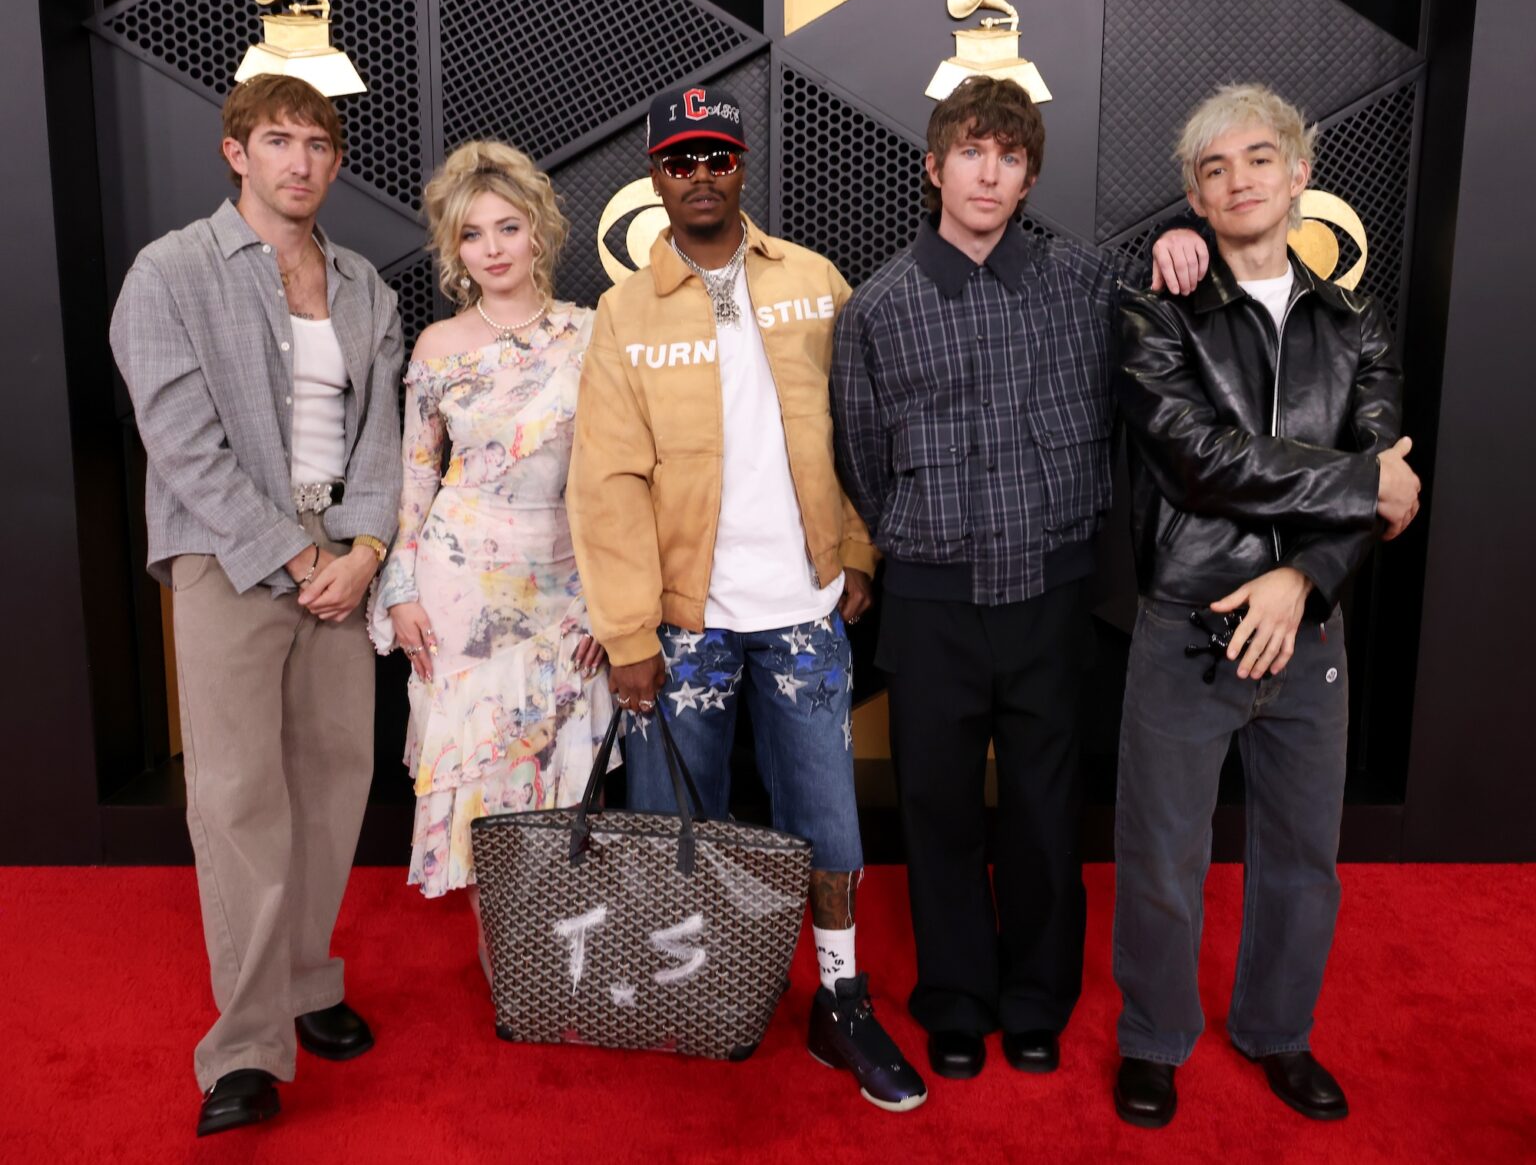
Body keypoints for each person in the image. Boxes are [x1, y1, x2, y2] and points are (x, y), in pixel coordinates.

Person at [831, 75, 1208, 1082]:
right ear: (934, 166)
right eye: (971, 152)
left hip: (1052, 592)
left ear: (1030, 175)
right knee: (940, 806)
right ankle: (956, 995)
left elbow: (1179, 291)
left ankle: (1039, 995)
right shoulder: (878, 307)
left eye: (1009, 156)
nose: (989, 173)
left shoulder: (1086, 281)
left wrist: (1185, 231)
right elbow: (861, 458)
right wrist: (921, 539)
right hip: (932, 601)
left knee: (1046, 807)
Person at [565, 86, 926, 1112]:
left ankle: (840, 1000)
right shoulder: (625, 313)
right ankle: (698, 991)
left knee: (827, 819)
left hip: (805, 607)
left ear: (742, 165)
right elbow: (606, 483)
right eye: (680, 160)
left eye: (716, 156)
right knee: (677, 819)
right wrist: (628, 631)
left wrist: (854, 548)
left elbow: (861, 425)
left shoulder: (812, 280)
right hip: (685, 625)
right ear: (654, 176)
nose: (700, 176)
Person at [1110, 84, 1419, 1128]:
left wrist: (1304, 578)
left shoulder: (1355, 321)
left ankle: (1279, 1030)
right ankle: (1153, 1038)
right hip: (1187, 622)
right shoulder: (1157, 310)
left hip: (1310, 626)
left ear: (1298, 176)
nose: (1238, 180)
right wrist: (1361, 484)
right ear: (1195, 197)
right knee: (1162, 857)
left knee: (1302, 859)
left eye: (1257, 160)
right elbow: (1200, 461)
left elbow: (1383, 467)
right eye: (1214, 169)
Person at [108, 73, 403, 1136]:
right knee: (237, 796)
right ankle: (242, 1047)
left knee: (333, 780)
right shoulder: (171, 270)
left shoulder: (365, 286)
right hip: (227, 555)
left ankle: (307, 980)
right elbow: (180, 441)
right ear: (237, 152)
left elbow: (383, 437)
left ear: (335, 161)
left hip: (340, 559)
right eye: (278, 140)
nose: (299, 162)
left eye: (317, 144)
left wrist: (364, 550)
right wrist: (293, 549)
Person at [369, 140, 611, 978]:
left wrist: (609, 602)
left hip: (567, 576)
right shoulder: (438, 346)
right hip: (461, 581)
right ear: (455, 249)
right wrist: (401, 590)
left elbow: (615, 479)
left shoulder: (590, 332)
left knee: (563, 765)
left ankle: (562, 954)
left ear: (539, 229)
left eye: (508, 226)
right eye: (473, 234)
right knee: (481, 768)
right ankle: (507, 962)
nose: (494, 247)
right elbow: (414, 479)